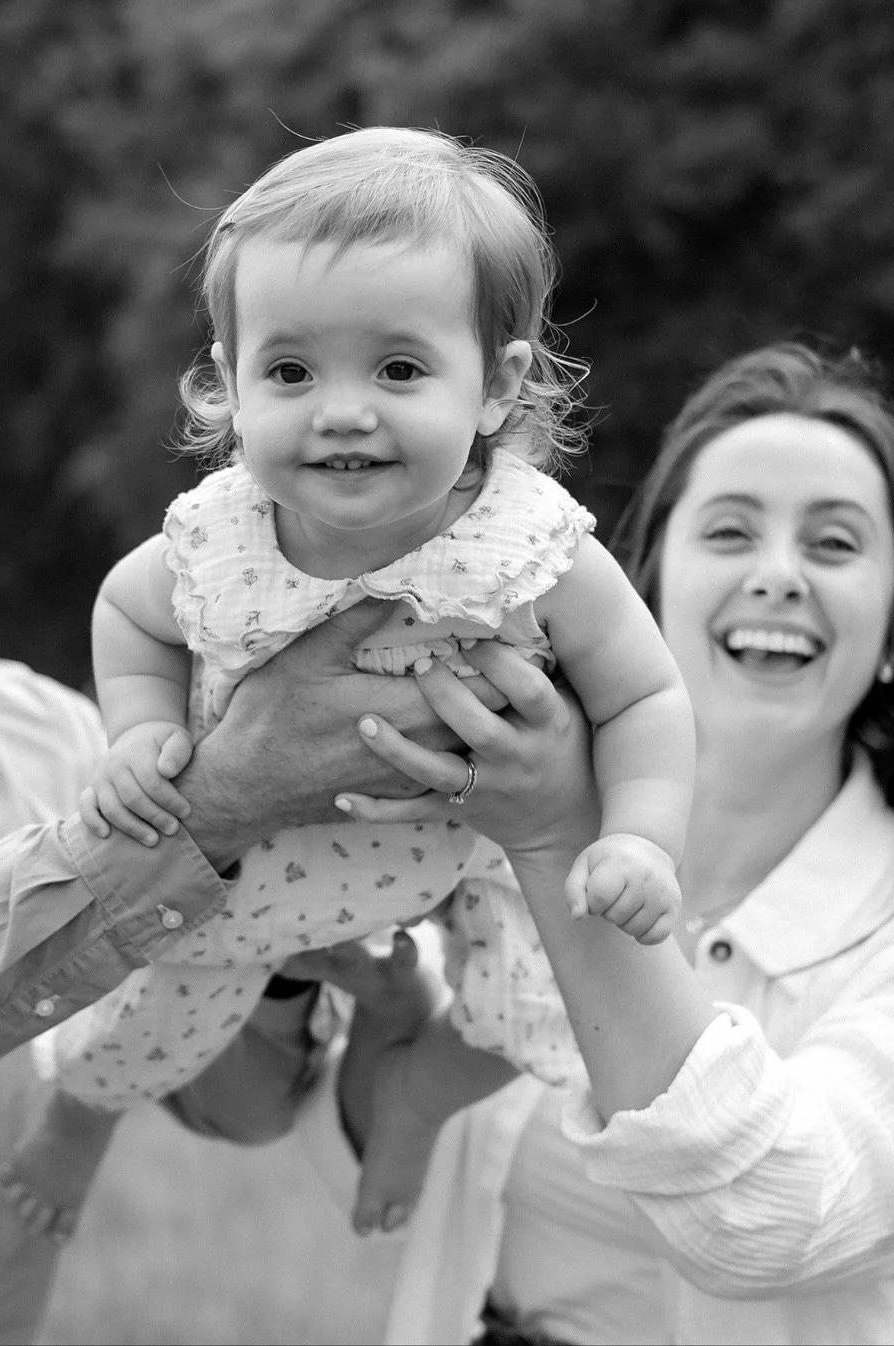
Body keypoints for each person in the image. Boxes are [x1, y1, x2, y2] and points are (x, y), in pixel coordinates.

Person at [3, 126, 695, 1239]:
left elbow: (646, 697)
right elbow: (129, 615)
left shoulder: (532, 546)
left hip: (464, 850)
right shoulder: (221, 535)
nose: (341, 409)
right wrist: (136, 731)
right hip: (252, 863)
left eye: (399, 368)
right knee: (154, 1006)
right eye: (290, 370)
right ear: (231, 385)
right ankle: (83, 1117)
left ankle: (412, 1090)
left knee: (545, 996)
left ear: (495, 384)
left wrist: (642, 837)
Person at [0, 201, 474, 1346]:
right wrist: (220, 806)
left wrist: (276, 949)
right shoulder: (153, 753)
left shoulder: (65, 737)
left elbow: (234, 1106)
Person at [305, 340, 894, 1345]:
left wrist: (561, 829)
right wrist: (398, 1027)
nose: (779, 575)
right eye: (730, 530)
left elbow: (767, 1220)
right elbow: (385, 1161)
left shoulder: (536, 804)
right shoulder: (486, 801)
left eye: (835, 544)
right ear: (651, 583)